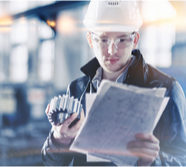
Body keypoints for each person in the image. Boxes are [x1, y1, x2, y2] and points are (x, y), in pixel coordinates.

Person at [42, 1, 186, 166]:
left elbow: (182, 160)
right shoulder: (77, 89)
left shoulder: (166, 89)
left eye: (122, 40)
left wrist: (153, 161)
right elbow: (52, 163)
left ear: (135, 39)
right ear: (90, 40)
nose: (112, 50)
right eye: (103, 40)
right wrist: (59, 140)